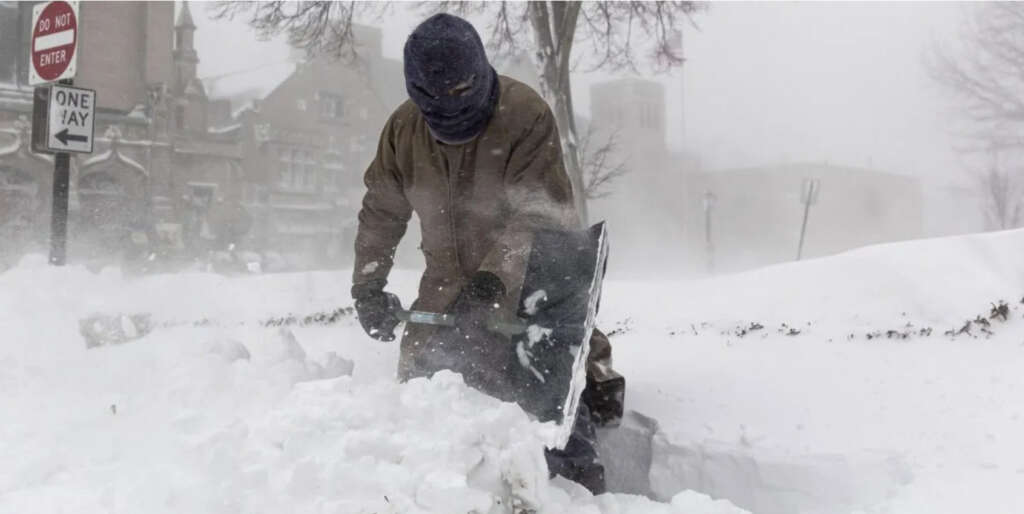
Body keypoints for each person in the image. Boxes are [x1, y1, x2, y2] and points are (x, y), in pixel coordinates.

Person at [351, 13, 623, 494]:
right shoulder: (403, 131)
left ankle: (580, 493)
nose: (450, 111)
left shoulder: (525, 116)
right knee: (429, 406)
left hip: (526, 287)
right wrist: (368, 287)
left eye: (461, 95)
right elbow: (381, 211)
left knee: (548, 408)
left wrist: (495, 279)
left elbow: (542, 216)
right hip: (444, 293)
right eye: (437, 102)